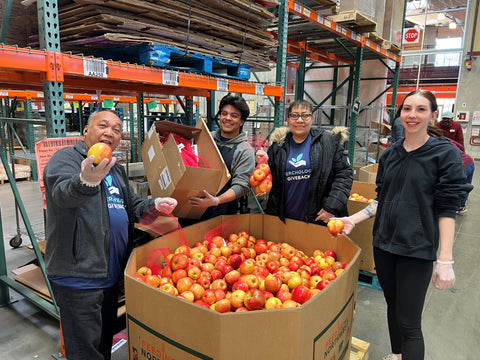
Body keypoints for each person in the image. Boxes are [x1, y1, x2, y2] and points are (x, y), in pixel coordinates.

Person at [336, 90, 473, 360]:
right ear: (400, 114)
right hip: (384, 243)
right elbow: (382, 200)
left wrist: (445, 260)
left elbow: (447, 209)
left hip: (416, 249)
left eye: (421, 109)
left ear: (433, 115)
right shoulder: (391, 155)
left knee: (410, 323)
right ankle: (398, 354)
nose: (412, 115)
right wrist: (353, 219)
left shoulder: (444, 154)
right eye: (407, 108)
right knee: (392, 306)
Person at [43, 110, 177, 360]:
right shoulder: (66, 160)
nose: (110, 132)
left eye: (116, 129)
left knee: (103, 343)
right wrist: (86, 180)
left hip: (110, 274)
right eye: (103, 125)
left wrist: (155, 205)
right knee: (84, 351)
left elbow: (132, 205)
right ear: (86, 130)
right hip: (79, 276)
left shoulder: (115, 169)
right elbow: (62, 194)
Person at [264, 99, 353, 225]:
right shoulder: (278, 146)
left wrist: (331, 207)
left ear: (312, 118)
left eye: (305, 115)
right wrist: (260, 162)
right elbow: (269, 180)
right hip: (286, 218)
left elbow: (344, 176)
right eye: (294, 115)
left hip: (318, 218)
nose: (300, 120)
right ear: (288, 119)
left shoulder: (328, 142)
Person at [188, 94, 255, 218]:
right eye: (224, 114)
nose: (227, 118)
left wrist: (216, 200)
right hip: (191, 207)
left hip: (221, 214)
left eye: (234, 116)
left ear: (242, 122)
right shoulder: (206, 137)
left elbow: (241, 186)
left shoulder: (244, 150)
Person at [447, 137, 475, 214]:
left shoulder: (433, 144)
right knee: (466, 185)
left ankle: (452, 207)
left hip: (460, 165)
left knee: (453, 187)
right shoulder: (446, 139)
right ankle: (461, 206)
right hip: (469, 161)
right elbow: (461, 147)